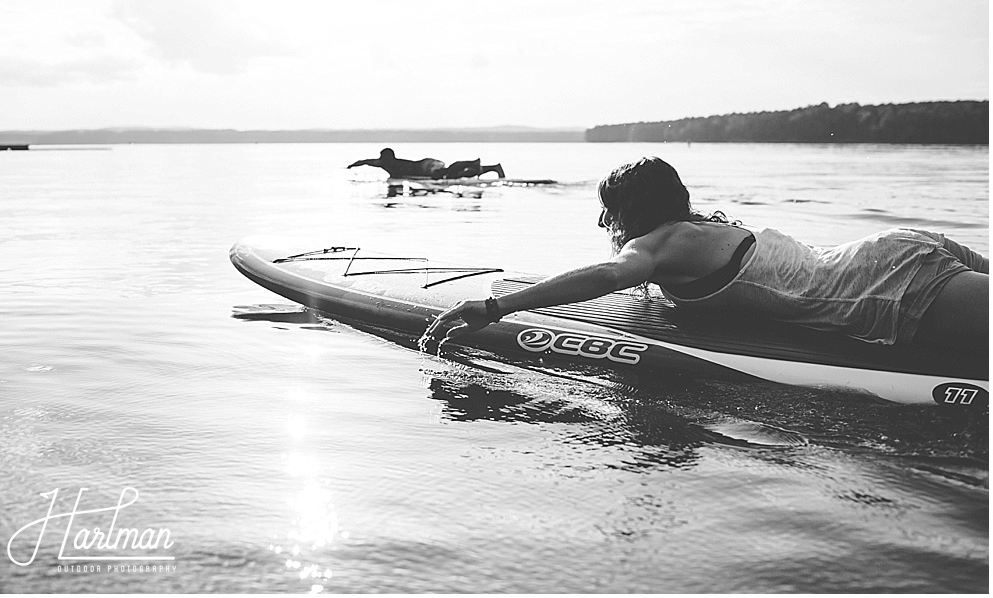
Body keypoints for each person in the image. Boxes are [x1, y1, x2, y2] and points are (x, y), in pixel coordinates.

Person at [422, 156, 988, 354]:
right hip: (895, 253)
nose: (604, 224)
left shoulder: (658, 244)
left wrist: (500, 306)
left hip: (889, 288)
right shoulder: (700, 231)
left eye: (609, 212)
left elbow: (607, 275)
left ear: (631, 210)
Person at [347, 148, 505, 179]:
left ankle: (473, 163)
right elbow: (365, 161)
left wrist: (351, 166)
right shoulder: (385, 162)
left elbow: (366, 161)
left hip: (425, 167)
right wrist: (351, 166)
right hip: (426, 164)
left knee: (447, 172)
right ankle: (492, 168)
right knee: (453, 175)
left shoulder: (386, 163)